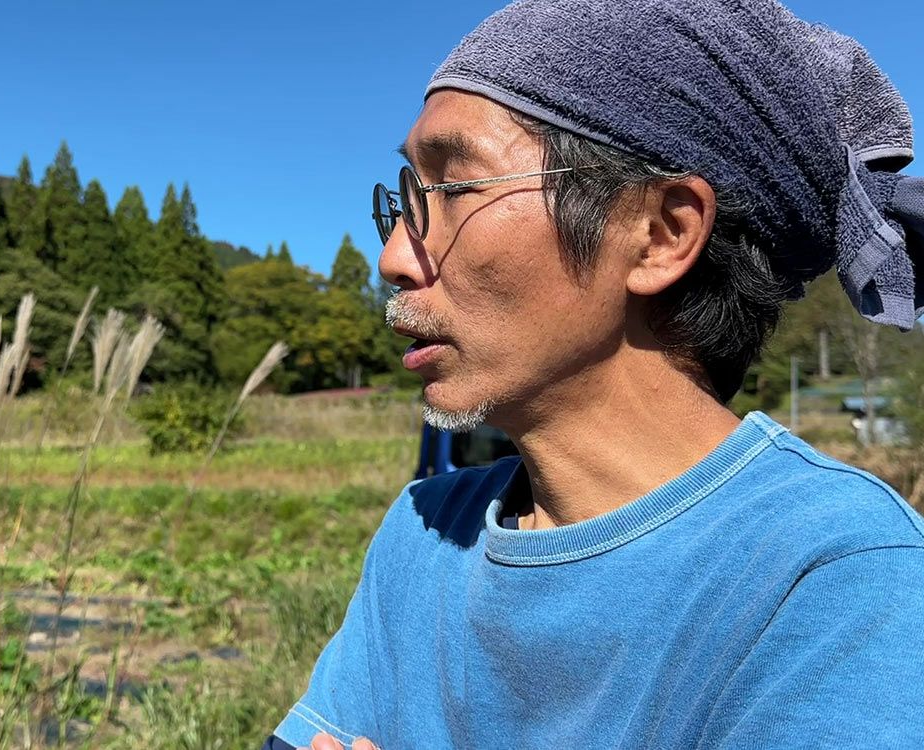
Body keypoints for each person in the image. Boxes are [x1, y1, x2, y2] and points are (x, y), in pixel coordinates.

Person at [266, 0, 924, 747]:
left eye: (452, 190)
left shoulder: (841, 580)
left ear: (659, 234)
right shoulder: (422, 534)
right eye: (405, 199)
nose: (392, 259)